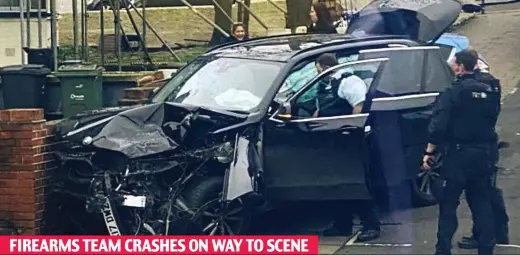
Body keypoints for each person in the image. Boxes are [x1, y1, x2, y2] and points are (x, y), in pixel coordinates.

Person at [423, 50, 501, 255]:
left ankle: (443, 249)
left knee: (448, 205)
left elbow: (439, 125)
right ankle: (486, 247)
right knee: (481, 202)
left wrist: (429, 152)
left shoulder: (454, 92)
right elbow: (493, 116)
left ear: (459, 66)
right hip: (484, 152)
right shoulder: (490, 88)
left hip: (458, 155)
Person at [313, 53, 380, 242]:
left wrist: (352, 130)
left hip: (349, 140)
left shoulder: (349, 81)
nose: (317, 72)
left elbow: (358, 107)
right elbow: (321, 109)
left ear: (324, 67)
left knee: (357, 182)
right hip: (330, 140)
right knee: (336, 184)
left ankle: (371, 225)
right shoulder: (323, 84)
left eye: (318, 69)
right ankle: (342, 224)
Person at [457, 49, 509, 250]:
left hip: (475, 145)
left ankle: (483, 234)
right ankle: (499, 231)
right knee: (489, 190)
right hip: (488, 143)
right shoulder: (492, 84)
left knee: (478, 195)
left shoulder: (472, 86)